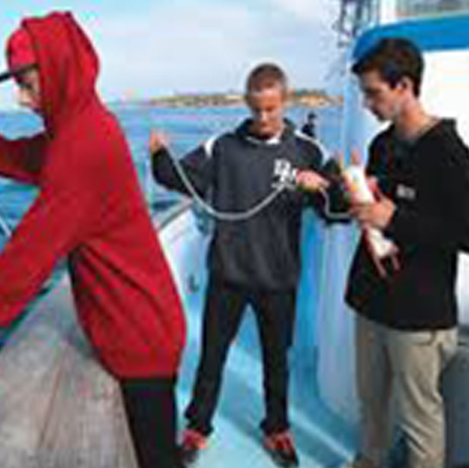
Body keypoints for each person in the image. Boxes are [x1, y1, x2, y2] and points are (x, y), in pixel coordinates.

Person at [0, 11, 186, 468]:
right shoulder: (80, 127)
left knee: (157, 459)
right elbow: (13, 157)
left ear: (58, 70)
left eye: (26, 83)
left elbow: (25, 262)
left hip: (141, 340)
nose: (20, 99)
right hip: (138, 326)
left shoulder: (82, 146)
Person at [148, 63, 338, 467]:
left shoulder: (309, 151)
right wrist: (158, 155)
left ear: (285, 101)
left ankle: (277, 429)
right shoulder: (224, 146)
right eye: (256, 110)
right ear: (248, 104)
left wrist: (326, 187)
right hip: (229, 275)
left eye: (271, 109)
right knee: (212, 357)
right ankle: (197, 428)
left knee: (276, 361)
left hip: (279, 279)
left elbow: (337, 206)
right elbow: (179, 177)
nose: (263, 118)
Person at [340, 37, 469, 468]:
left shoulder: (449, 154)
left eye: (374, 93)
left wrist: (393, 219)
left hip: (418, 315)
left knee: (420, 420)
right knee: (371, 407)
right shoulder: (382, 146)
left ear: (405, 86)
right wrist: (347, 194)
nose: (367, 103)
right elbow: (370, 208)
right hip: (372, 303)